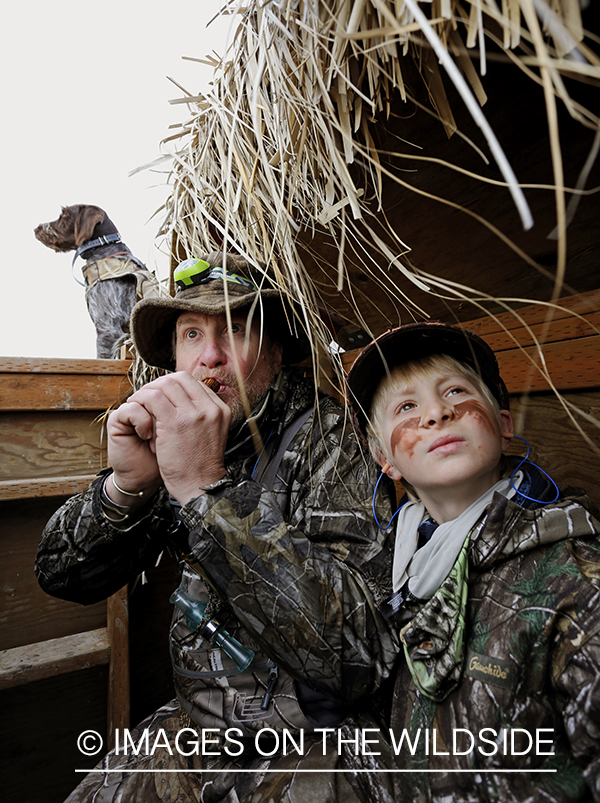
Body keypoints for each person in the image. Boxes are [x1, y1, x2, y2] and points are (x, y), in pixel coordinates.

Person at [35, 251, 398, 803]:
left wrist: (206, 492)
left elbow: (356, 658)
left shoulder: (328, 438)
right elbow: (61, 576)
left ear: (276, 353)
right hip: (196, 725)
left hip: (311, 738)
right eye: (190, 334)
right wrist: (127, 487)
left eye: (235, 330)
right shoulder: (175, 435)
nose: (210, 357)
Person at [346, 321, 600, 802]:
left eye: (456, 391)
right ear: (386, 460)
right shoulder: (388, 570)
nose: (437, 413)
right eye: (407, 407)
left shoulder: (574, 578)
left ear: (504, 425)